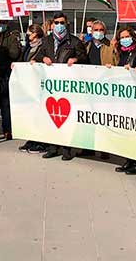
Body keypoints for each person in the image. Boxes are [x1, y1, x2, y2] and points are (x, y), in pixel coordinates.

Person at [38, 12, 86, 161]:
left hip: (67, 85)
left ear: (66, 24)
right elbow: (38, 55)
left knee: (67, 118)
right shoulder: (46, 41)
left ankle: (67, 149)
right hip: (51, 86)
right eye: (56, 22)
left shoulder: (74, 42)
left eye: (62, 23)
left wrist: (76, 59)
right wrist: (42, 58)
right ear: (52, 24)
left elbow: (84, 58)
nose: (59, 25)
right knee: (51, 116)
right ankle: (53, 148)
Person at [111, 26, 136, 175]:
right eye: (122, 37)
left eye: (127, 36)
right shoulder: (122, 53)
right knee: (126, 130)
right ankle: (129, 160)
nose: (125, 40)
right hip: (125, 98)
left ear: (133, 37)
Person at [18, 24, 46, 153]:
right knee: (30, 113)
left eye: (30, 32)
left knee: (39, 113)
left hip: (39, 84)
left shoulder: (43, 46)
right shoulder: (28, 47)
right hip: (28, 84)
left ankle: (40, 141)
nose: (28, 35)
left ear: (36, 33)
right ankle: (31, 138)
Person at [0, 21, 20, 140]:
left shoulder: (11, 39)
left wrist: (3, 50)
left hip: (6, 75)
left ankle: (7, 130)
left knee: (5, 105)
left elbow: (14, 54)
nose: (0, 26)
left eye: (2, 24)